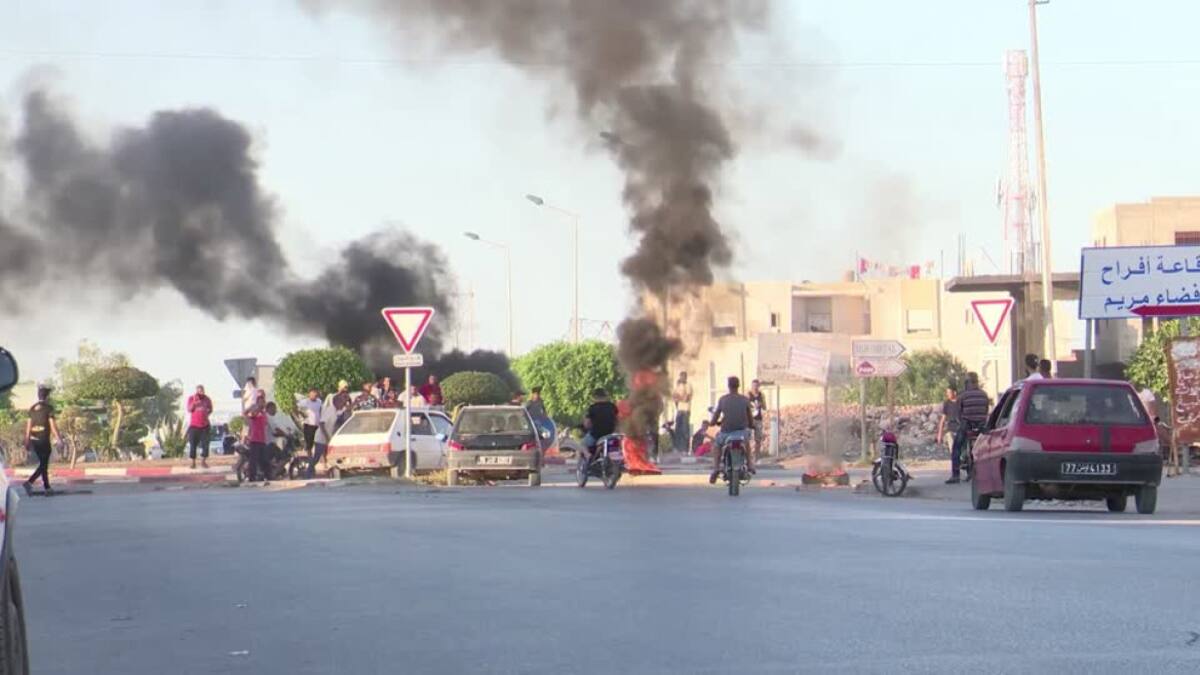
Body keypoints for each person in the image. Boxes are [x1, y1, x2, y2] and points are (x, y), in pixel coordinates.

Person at [709, 376, 755, 484]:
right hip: (741, 433)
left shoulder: (723, 400)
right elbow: (750, 419)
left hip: (726, 433)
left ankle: (716, 468)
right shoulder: (745, 400)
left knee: (717, 445)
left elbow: (715, 418)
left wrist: (712, 423)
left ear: (728, 386)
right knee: (747, 444)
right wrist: (752, 425)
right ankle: (750, 464)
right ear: (738, 386)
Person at [947, 373, 990, 484]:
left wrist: (961, 421)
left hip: (967, 425)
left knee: (956, 447)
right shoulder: (984, 394)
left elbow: (958, 412)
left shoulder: (963, 395)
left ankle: (955, 475)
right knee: (988, 448)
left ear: (968, 383)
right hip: (981, 426)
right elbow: (986, 411)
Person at [24, 385, 61, 494]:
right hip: (44, 439)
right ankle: (30, 482)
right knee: (44, 464)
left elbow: (28, 426)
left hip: (34, 439)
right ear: (47, 396)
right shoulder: (49, 408)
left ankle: (47, 488)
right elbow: (52, 425)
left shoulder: (32, 408)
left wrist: (27, 440)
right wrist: (58, 438)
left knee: (43, 463)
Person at [581, 388, 619, 464]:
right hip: (611, 435)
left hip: (596, 435)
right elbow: (618, 420)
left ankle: (588, 456)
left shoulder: (592, 408)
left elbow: (587, 423)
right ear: (606, 396)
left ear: (595, 397)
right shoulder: (612, 407)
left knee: (582, 444)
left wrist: (586, 427)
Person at [244, 392, 271, 484]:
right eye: (260, 402)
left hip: (262, 439)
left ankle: (268, 476)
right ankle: (252, 477)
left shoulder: (264, 413)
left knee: (264, 460)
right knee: (253, 460)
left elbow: (265, 425)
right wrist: (253, 408)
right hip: (254, 439)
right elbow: (248, 414)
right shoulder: (255, 412)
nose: (262, 403)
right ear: (257, 403)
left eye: (263, 402)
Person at [309, 392, 338, 477]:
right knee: (317, 457)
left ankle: (327, 472)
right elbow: (321, 424)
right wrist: (326, 437)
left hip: (326, 438)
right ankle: (309, 472)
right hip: (321, 438)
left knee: (327, 456)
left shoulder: (334, 410)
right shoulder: (329, 410)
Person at [186, 384, 214, 469]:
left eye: (202, 391)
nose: (201, 392)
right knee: (193, 445)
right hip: (194, 426)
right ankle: (193, 463)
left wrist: (206, 414)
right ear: (197, 391)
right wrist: (194, 403)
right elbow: (189, 409)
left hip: (205, 426)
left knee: (206, 444)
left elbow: (210, 409)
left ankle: (203, 462)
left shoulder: (207, 399)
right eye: (199, 391)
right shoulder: (191, 398)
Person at [671, 372, 693, 453]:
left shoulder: (688, 385)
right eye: (681, 377)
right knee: (678, 429)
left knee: (685, 429)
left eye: (683, 377)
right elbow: (674, 396)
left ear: (686, 377)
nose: (682, 378)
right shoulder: (677, 386)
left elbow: (686, 398)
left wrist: (679, 397)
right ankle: (677, 448)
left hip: (686, 410)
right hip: (679, 410)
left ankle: (685, 449)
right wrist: (679, 397)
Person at [747, 379, 767, 457]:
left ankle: (756, 456)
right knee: (747, 439)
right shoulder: (748, 395)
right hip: (749, 419)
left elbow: (765, 407)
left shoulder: (761, 395)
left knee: (758, 439)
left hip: (758, 419)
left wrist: (761, 404)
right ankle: (748, 456)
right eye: (753, 386)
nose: (755, 388)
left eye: (756, 386)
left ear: (759, 386)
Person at [936, 385, 959, 453]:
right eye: (947, 392)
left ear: (954, 393)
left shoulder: (961, 402)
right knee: (953, 450)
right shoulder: (947, 403)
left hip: (960, 429)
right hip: (951, 429)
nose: (947, 394)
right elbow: (943, 419)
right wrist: (939, 434)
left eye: (949, 392)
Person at [300, 388, 322, 457]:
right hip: (308, 425)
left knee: (319, 441)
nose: (315, 395)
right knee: (309, 443)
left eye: (316, 393)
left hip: (317, 425)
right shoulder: (305, 402)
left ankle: (320, 457)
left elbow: (320, 410)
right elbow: (298, 409)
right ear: (309, 394)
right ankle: (309, 457)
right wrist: (302, 417)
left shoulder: (319, 401)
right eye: (313, 393)